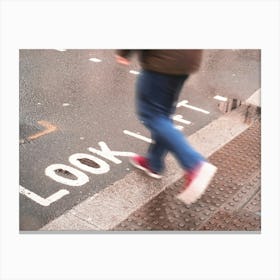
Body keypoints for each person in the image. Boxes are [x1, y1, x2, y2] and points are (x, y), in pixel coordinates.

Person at [115, 50, 217, 204]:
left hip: (161, 60)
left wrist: (124, 52)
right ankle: (154, 162)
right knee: (163, 114)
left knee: (151, 114)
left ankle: (195, 164)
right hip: (186, 60)